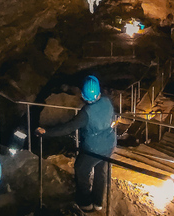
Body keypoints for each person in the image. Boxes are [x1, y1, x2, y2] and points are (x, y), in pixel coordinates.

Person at [37, 75, 116, 212]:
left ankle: (85, 202)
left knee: (81, 169)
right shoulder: (107, 101)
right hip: (109, 144)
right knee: (100, 171)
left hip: (94, 149)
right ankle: (98, 202)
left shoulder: (86, 113)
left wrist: (46, 132)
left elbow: (67, 128)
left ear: (84, 96)